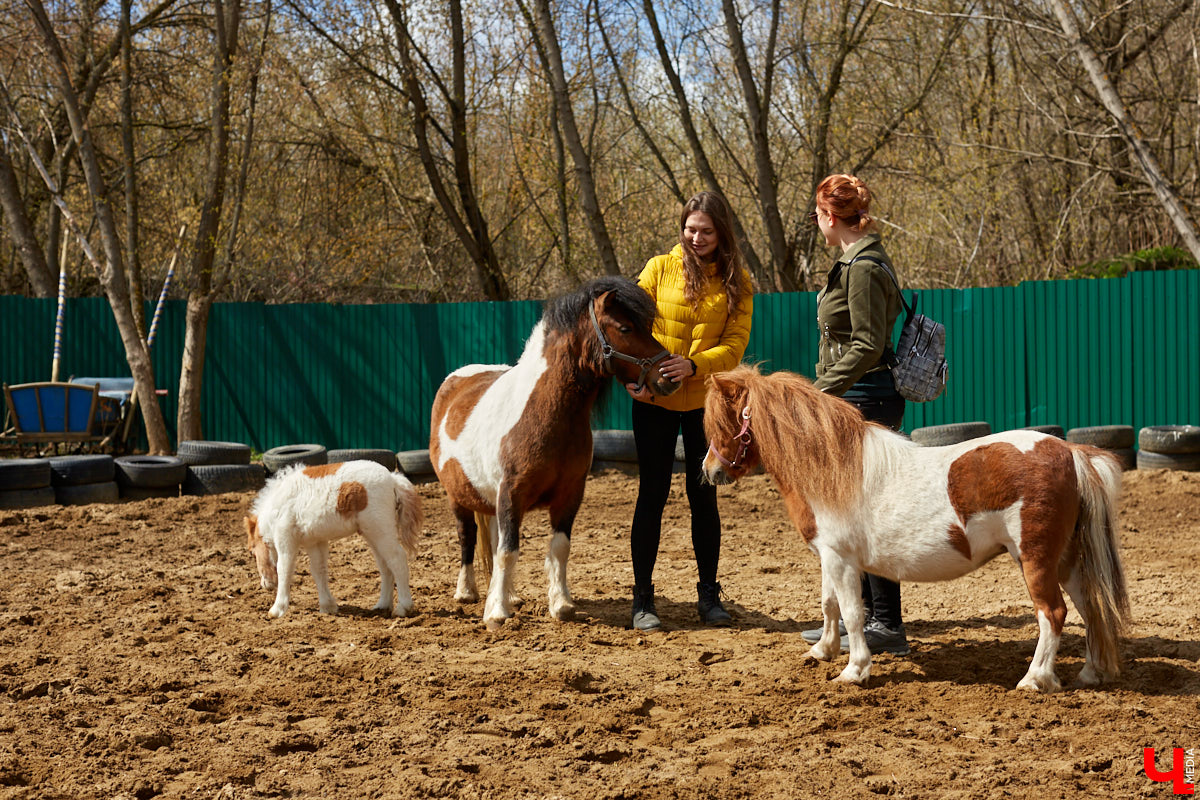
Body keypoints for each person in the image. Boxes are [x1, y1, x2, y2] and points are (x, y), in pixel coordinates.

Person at [625, 191, 754, 631]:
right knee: (652, 494)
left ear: (722, 233)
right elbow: (630, 327)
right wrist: (636, 377)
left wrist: (695, 365)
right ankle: (643, 599)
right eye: (690, 229)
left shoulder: (738, 281)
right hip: (654, 401)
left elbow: (735, 344)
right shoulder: (658, 269)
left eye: (706, 231)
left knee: (704, 497)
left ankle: (709, 596)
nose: (696, 238)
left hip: (705, 403)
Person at [801, 173, 910, 656]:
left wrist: (818, 393)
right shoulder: (854, 260)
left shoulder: (862, 267)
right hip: (854, 396)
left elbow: (866, 345)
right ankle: (858, 619)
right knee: (850, 511)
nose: (816, 222)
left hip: (864, 398)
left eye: (818, 214)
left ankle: (887, 624)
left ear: (830, 216)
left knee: (868, 513)